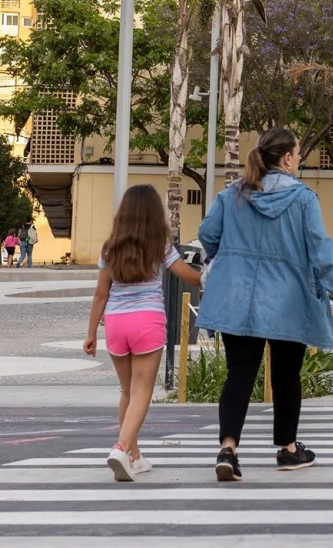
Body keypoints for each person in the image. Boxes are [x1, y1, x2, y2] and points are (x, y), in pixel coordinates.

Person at [197, 128, 333, 483]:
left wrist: (231, 255)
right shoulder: (303, 199)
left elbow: (207, 234)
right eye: (298, 154)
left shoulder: (232, 195)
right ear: (286, 158)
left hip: (237, 298)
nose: (299, 160)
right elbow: (321, 250)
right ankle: (288, 448)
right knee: (286, 375)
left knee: (239, 373)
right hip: (288, 300)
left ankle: (228, 449)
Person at [85, 184, 206, 481]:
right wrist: (210, 276)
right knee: (142, 392)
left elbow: (101, 294)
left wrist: (91, 333)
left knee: (127, 391)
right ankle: (121, 447)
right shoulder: (159, 244)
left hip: (116, 322)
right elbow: (187, 276)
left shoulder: (110, 247)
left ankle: (134, 456)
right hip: (147, 321)